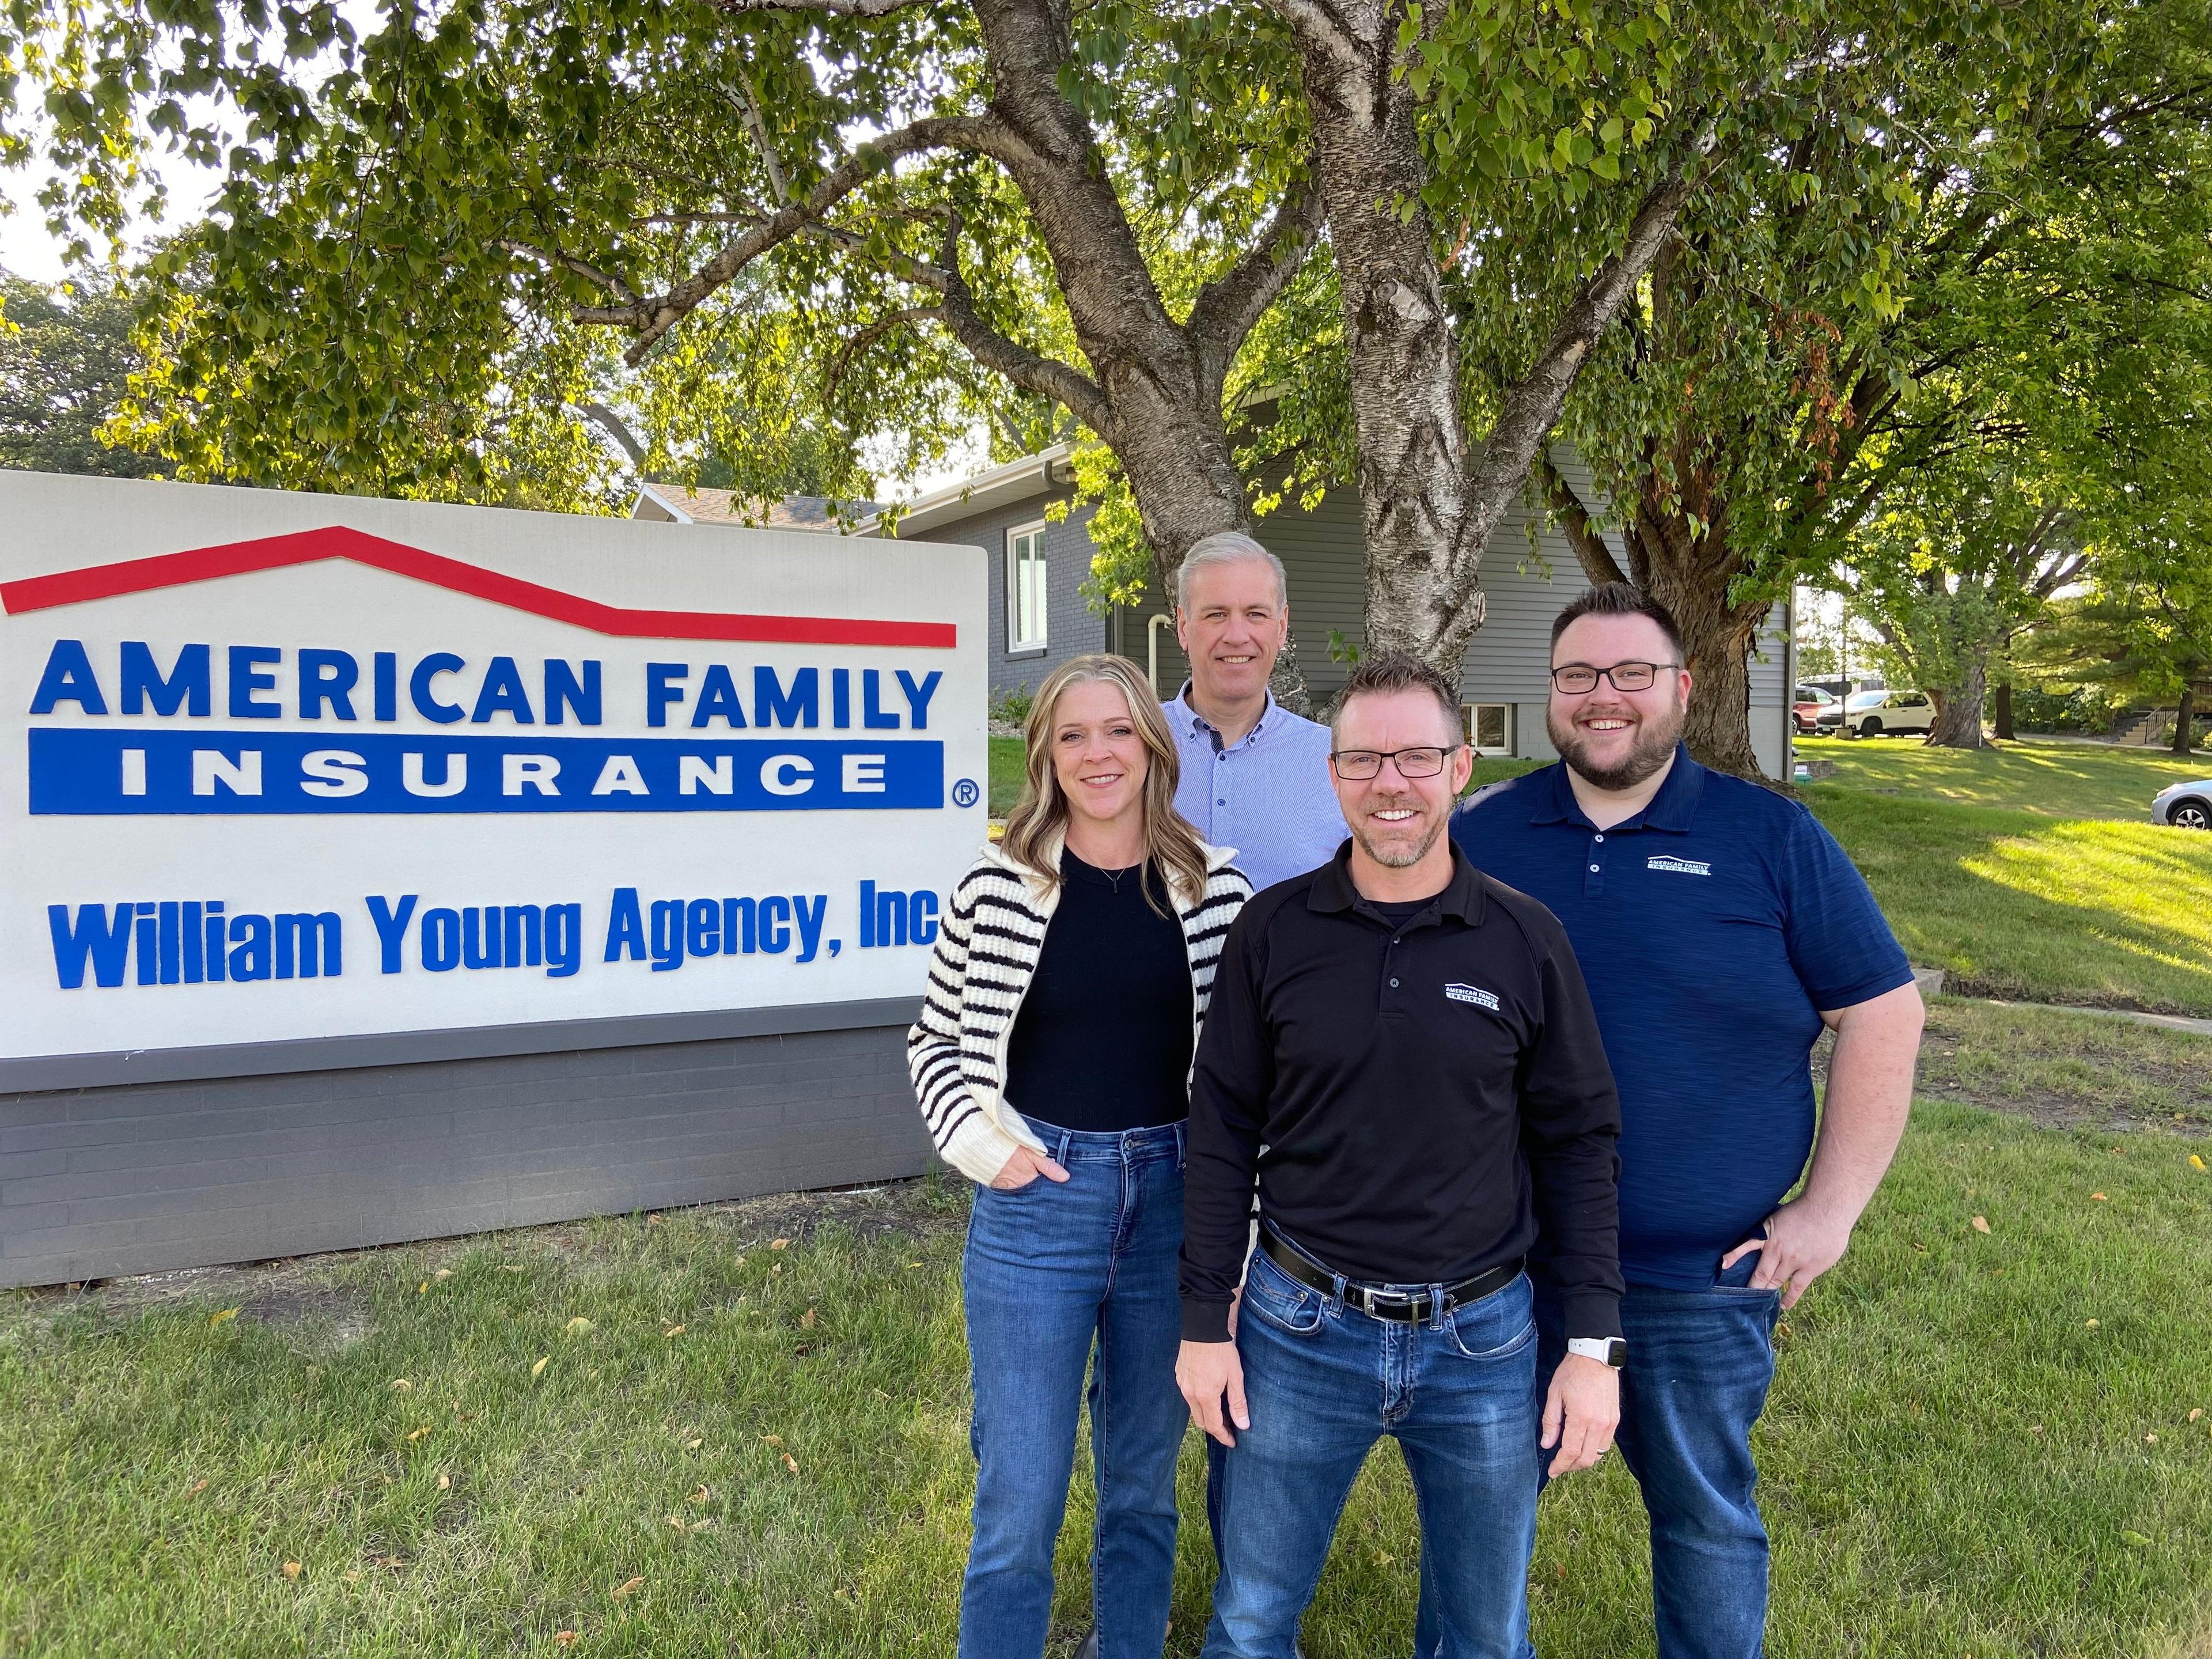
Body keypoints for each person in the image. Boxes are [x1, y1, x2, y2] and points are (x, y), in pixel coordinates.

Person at [1441, 583, 1924, 1659]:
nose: (1602, 698)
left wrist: (1830, 1213)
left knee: (1704, 1519)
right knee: (1480, 1530)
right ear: (1551, 693)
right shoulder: (1486, 834)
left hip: (1700, 1274)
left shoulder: (1771, 837)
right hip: (1506, 1267)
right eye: (1578, 676)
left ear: (1683, 690)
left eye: (1630, 675)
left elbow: (1884, 1014)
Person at [1177, 652, 1628, 1659]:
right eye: (1366, 761)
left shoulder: (1525, 939)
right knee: (1250, 1623)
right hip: (1297, 1330)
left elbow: (1580, 1140)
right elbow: (1221, 1129)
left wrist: (1592, 1348)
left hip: (1484, 1339)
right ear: (1332, 776)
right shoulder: (1272, 931)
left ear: (1461, 768)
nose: (1392, 785)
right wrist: (1206, 1323)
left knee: (1484, 1634)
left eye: (1418, 758)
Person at [908, 652, 1253, 1659]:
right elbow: (933, 1040)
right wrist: (984, 1148)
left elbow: (1244, 1085)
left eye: (1117, 732)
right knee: (1019, 1493)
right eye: (1073, 736)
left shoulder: (1216, 889)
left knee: (1143, 1487)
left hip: (1175, 1205)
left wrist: (1237, 1236)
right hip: (1035, 1203)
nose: (1097, 754)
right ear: (1046, 759)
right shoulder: (993, 882)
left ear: (1152, 746)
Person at [1163, 531, 1345, 894]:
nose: (1236, 635)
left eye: (1255, 614)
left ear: (1281, 627)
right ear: (1184, 627)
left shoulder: (1337, 760)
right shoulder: (1130, 743)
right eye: (1216, 614)